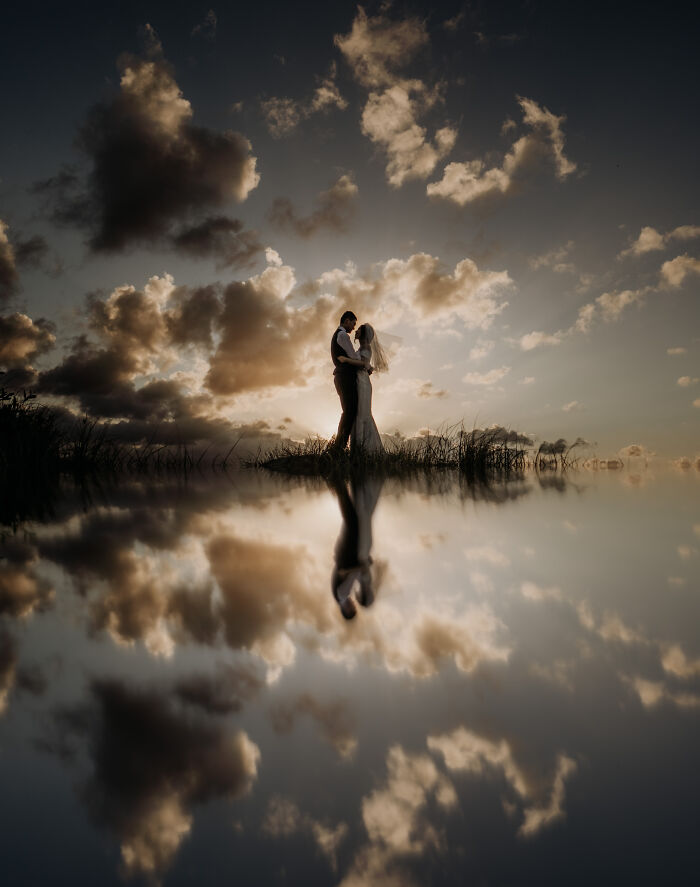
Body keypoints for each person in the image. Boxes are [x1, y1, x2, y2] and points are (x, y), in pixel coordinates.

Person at [330, 310, 369, 452]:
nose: (353, 328)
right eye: (353, 324)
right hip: (345, 377)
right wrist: (366, 364)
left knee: (348, 411)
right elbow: (354, 356)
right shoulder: (342, 335)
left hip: (343, 376)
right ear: (346, 321)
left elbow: (351, 357)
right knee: (349, 411)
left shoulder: (338, 335)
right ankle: (339, 447)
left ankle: (339, 446)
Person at [346, 323, 387, 454]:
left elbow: (363, 363)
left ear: (363, 334)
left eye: (358, 329)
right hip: (360, 380)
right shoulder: (363, 347)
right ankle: (358, 450)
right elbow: (366, 364)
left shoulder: (366, 347)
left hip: (362, 383)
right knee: (358, 413)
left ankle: (366, 450)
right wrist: (369, 368)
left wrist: (345, 360)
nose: (356, 331)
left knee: (362, 413)